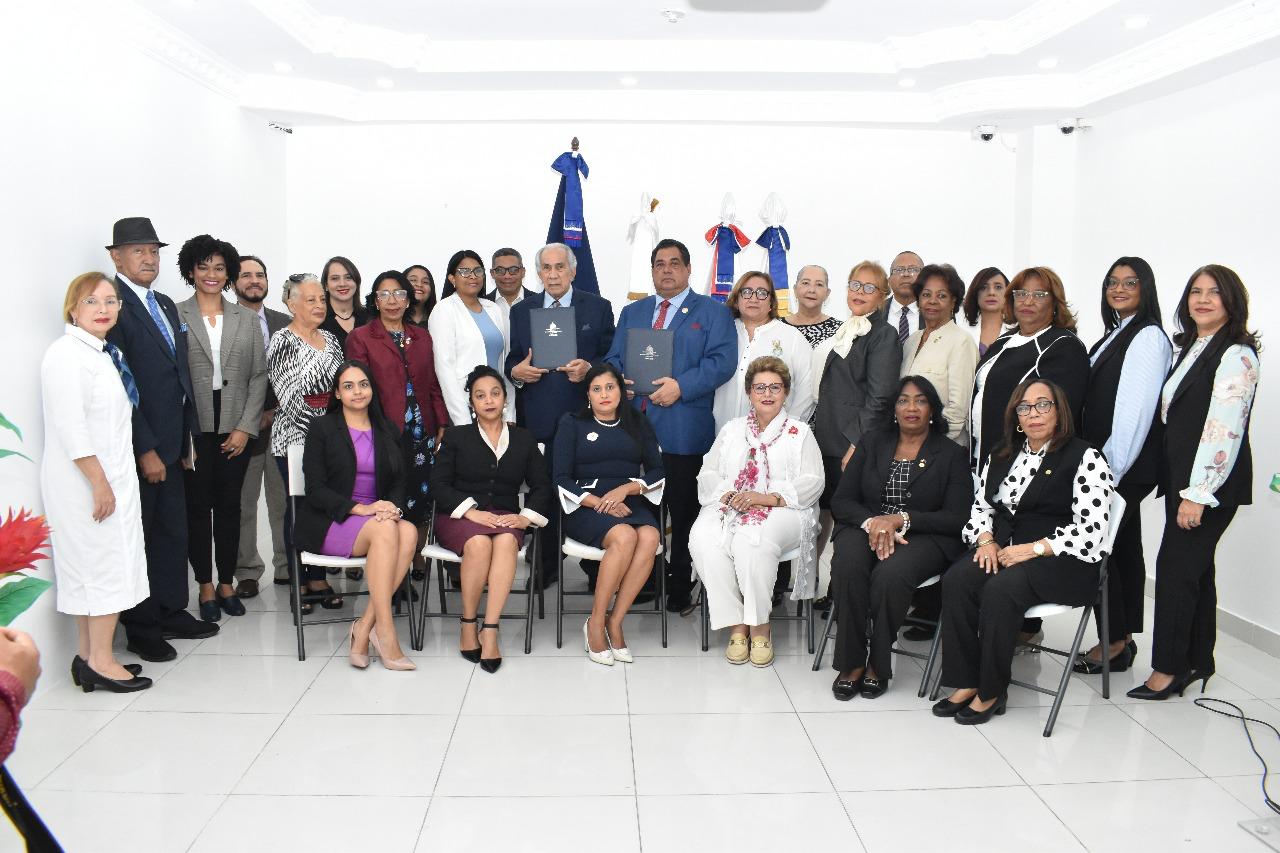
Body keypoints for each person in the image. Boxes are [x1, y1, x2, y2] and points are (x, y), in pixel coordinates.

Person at [935, 379, 1113, 724]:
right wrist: (985, 540)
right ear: (1016, 417)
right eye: (1024, 407)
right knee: (958, 579)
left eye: (1043, 404)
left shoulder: (1085, 456)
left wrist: (1035, 549)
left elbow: (1092, 530)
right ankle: (966, 681)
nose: (1034, 413)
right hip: (1004, 550)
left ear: (1060, 412)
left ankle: (991, 691)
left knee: (1001, 590)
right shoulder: (1002, 454)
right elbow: (981, 508)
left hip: (1064, 560)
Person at [1128, 265, 1260, 700]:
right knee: (1196, 572)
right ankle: (1199, 660)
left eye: (1214, 293)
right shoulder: (1193, 347)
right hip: (1184, 482)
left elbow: (1224, 430)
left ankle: (1168, 670)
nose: (1202, 300)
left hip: (1206, 487)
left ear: (1231, 301)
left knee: (1175, 572)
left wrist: (1198, 495)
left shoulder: (1237, 354)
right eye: (1195, 292)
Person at [104, 217, 218, 663]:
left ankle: (170, 609)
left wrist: (187, 441)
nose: (148, 258)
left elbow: (181, 376)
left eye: (153, 251)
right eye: (137, 251)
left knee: (174, 530)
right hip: (143, 448)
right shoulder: (113, 305)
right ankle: (141, 626)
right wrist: (145, 448)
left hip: (175, 445)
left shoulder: (166, 304)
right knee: (143, 536)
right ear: (116, 257)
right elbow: (122, 386)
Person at [605, 237, 736, 613]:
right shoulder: (634, 312)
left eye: (674, 263)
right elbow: (614, 356)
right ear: (652, 271)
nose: (667, 270)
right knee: (639, 508)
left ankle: (681, 582)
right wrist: (620, 379)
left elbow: (722, 362)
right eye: (659, 264)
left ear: (688, 268)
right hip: (633, 429)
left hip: (683, 428)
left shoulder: (712, 312)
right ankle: (645, 579)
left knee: (682, 511)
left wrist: (682, 387)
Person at [41, 272, 152, 692]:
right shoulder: (66, 356)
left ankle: (89, 657)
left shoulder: (103, 354)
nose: (103, 310)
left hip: (109, 478)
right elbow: (73, 429)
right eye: (92, 302)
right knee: (100, 566)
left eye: (110, 302)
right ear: (73, 307)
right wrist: (99, 482)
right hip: (86, 482)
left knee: (97, 566)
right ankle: (102, 663)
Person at [827, 376, 971, 700]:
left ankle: (878, 664)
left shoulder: (951, 454)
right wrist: (873, 523)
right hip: (866, 527)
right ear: (894, 409)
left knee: (891, 574)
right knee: (848, 565)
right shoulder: (872, 441)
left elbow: (957, 517)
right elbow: (842, 500)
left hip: (924, 536)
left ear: (932, 409)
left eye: (920, 400)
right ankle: (850, 663)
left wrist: (901, 519)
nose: (911, 407)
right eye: (903, 400)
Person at [690, 356, 824, 667]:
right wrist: (730, 495)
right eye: (760, 387)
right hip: (732, 500)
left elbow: (813, 481)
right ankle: (738, 624)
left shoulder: (799, 431)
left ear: (786, 392)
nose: (767, 393)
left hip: (785, 507)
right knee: (702, 537)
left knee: (753, 537)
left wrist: (767, 499)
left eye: (775, 387)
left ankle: (760, 628)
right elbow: (708, 473)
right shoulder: (733, 429)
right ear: (749, 392)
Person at [1074, 257, 1171, 674]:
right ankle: (1120, 639)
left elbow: (1134, 414)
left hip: (1121, 464)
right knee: (1122, 548)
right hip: (1108, 462)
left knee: (1109, 551)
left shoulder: (1148, 337)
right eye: (1112, 282)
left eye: (1130, 282)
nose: (1119, 288)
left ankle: (1115, 642)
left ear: (1145, 288)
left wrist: (1107, 472)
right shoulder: (1117, 334)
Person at [294, 361, 419, 671]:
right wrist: (360, 508)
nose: (357, 391)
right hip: (332, 519)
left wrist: (393, 507)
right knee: (387, 530)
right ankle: (386, 634)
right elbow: (315, 488)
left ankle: (364, 627)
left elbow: (401, 481)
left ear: (371, 389)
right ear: (337, 393)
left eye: (363, 384)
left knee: (410, 531)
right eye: (348, 386)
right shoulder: (322, 428)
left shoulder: (387, 429)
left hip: (376, 518)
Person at [507, 243, 615, 587]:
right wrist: (516, 372)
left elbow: (610, 359)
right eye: (546, 268)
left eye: (559, 267)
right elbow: (513, 359)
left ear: (572, 270)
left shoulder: (598, 307)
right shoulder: (522, 311)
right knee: (545, 492)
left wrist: (590, 368)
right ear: (538, 273)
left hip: (585, 418)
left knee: (585, 488)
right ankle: (547, 562)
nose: (552, 274)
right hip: (538, 418)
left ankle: (593, 564)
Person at [431, 366, 551, 672]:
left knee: (507, 544)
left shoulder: (524, 439)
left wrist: (526, 518)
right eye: (480, 395)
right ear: (471, 402)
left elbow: (542, 486)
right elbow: (439, 486)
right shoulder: (456, 437)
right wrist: (471, 512)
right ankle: (468, 623)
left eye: (495, 393)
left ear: (505, 398)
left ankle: (491, 629)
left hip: (506, 517)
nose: (488, 401)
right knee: (479, 544)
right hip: (460, 516)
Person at [175, 234, 268, 622]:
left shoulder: (246, 319)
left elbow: (258, 377)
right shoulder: (174, 314)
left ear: (228, 272)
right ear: (190, 271)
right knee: (198, 509)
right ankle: (205, 586)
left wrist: (246, 428)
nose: (211, 274)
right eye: (203, 267)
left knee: (230, 507)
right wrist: (182, 435)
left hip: (235, 423)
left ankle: (227, 582)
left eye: (218, 267)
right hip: (194, 424)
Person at [553, 363, 664, 665]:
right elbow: (560, 477)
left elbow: (657, 470)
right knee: (625, 536)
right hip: (586, 506)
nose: (604, 394)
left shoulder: (637, 422)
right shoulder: (572, 423)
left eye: (610, 387)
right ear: (587, 394)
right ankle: (595, 622)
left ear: (620, 390)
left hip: (628, 502)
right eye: (596, 389)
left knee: (651, 535)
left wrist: (627, 490)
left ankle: (615, 621)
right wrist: (598, 501)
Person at [346, 270, 449, 584]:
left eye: (400, 294)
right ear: (375, 301)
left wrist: (441, 421)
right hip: (382, 432)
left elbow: (432, 384)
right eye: (384, 294)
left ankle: (414, 559)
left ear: (409, 299)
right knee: (389, 498)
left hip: (421, 433)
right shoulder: (361, 337)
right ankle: (390, 571)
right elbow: (360, 387)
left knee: (420, 497)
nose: (393, 301)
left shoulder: (422, 336)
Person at [811, 261, 901, 609]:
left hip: (853, 445)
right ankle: (832, 590)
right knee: (831, 515)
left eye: (869, 288)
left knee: (850, 520)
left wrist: (856, 443)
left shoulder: (883, 334)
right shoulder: (848, 328)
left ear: (883, 296)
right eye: (854, 285)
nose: (859, 293)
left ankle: (845, 595)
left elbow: (881, 397)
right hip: (829, 439)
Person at [267, 273, 346, 614]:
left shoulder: (330, 339)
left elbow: (343, 388)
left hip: (330, 439)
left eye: (322, 300)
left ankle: (318, 579)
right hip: (295, 440)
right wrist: (323, 437)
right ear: (291, 303)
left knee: (322, 508)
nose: (318, 305)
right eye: (310, 299)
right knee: (298, 509)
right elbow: (288, 398)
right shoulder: (282, 340)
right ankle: (299, 579)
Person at [969, 266, 1089, 469]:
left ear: (1054, 303)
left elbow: (1059, 417)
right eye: (1021, 293)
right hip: (983, 454)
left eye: (1039, 294)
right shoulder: (1004, 340)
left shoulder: (1063, 346)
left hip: (1027, 465)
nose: (1028, 301)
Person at [232, 256, 292, 598]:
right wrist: (252, 416)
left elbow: (296, 374)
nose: (254, 280)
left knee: (283, 500)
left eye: (260, 275)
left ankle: (285, 565)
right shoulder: (227, 321)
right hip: (244, 427)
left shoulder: (284, 321)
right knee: (244, 503)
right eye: (246, 275)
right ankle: (248, 571)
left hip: (283, 425)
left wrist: (275, 409)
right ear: (234, 282)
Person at [713, 271, 814, 431]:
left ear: (771, 302)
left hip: (775, 437)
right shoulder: (721, 332)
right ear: (737, 300)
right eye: (746, 292)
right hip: (723, 434)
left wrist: (790, 425)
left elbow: (807, 386)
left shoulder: (792, 337)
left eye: (761, 293)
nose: (753, 298)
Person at [429, 250, 513, 425]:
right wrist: (463, 421)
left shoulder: (493, 309)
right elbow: (445, 370)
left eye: (478, 271)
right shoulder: (444, 310)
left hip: (497, 406)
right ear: (452, 278)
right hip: (466, 405)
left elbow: (504, 364)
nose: (472, 276)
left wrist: (509, 413)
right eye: (464, 271)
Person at [900, 264, 979, 447]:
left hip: (943, 448)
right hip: (908, 445)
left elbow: (958, 409)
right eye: (926, 294)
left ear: (954, 302)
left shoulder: (961, 341)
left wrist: (929, 446)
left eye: (941, 295)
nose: (932, 301)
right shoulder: (912, 341)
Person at [784, 265, 843, 354]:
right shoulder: (778, 326)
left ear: (827, 293)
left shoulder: (841, 330)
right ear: (795, 290)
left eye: (819, 284)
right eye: (805, 283)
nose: (812, 290)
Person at [318, 256, 368, 351]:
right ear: (326, 285)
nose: (342, 283)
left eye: (348, 277)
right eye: (335, 279)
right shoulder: (317, 320)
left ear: (356, 282)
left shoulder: (370, 318)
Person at [961, 267, 1010, 356]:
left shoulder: (1020, 330)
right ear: (975, 293)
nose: (991, 292)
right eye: (983, 287)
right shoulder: (961, 330)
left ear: (1007, 292)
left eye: (998, 287)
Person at [484, 247, 539, 324]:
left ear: (523, 272)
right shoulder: (481, 305)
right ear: (492, 273)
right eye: (500, 270)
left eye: (513, 270)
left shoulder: (540, 303)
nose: (507, 276)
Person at [885, 250, 925, 344]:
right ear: (889, 280)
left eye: (913, 269)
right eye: (899, 270)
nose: (906, 274)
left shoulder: (937, 313)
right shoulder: (874, 312)